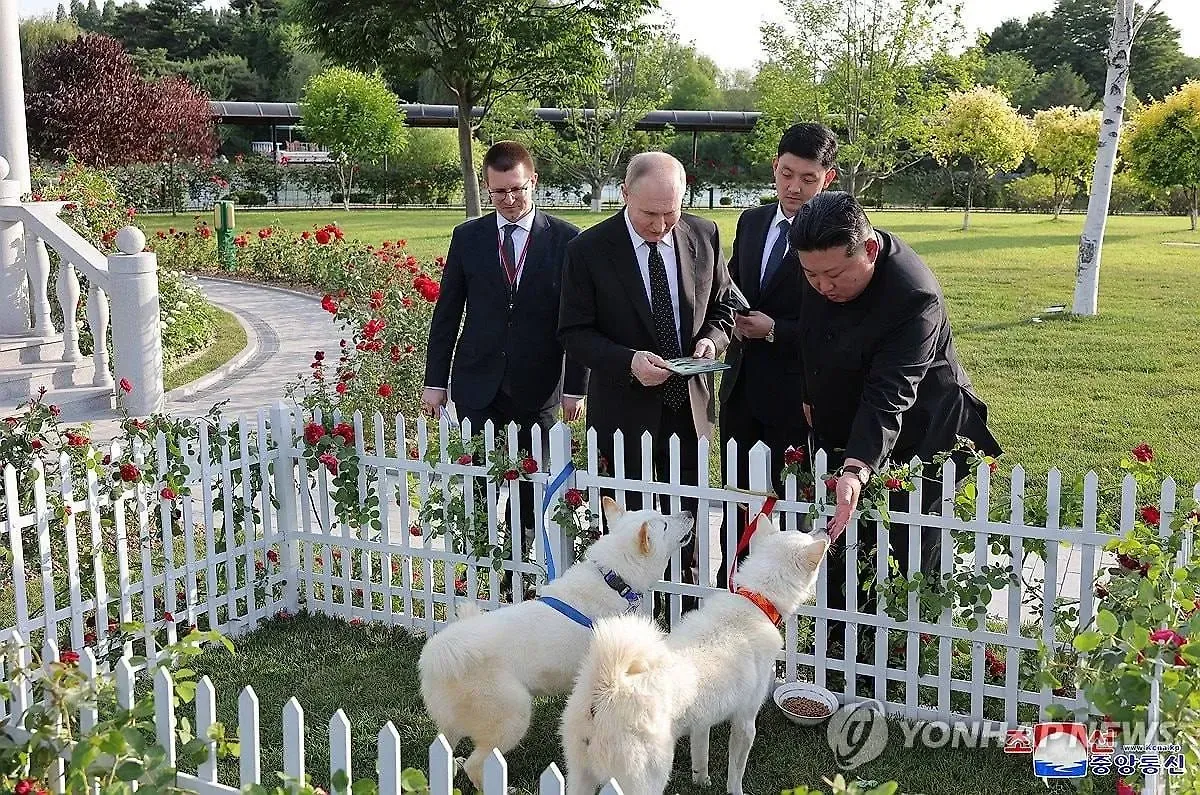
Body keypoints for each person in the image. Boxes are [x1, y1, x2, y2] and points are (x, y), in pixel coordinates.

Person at [790, 191, 1002, 642]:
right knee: (847, 539)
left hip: (923, 432)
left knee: (908, 546)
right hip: (852, 419)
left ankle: (905, 644)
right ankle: (842, 640)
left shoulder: (913, 296)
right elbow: (811, 332)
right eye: (811, 275)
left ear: (868, 250)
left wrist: (857, 467)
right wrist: (811, 393)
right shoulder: (819, 262)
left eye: (833, 275)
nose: (822, 286)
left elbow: (891, 393)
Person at [558, 151, 735, 594]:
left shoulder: (704, 234)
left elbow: (726, 304)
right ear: (625, 194)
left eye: (670, 213)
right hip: (624, 412)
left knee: (686, 524)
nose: (660, 225)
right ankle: (632, 614)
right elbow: (574, 333)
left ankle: (685, 613)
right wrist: (628, 362)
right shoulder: (589, 250)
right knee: (629, 529)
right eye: (649, 214)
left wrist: (712, 339)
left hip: (688, 411)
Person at [422, 141, 587, 549]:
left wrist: (575, 387)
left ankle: (520, 563)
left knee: (530, 486)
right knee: (478, 482)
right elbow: (447, 315)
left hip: (539, 387)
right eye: (499, 192)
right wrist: (435, 380)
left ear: (533, 180)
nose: (510, 200)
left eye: (518, 189)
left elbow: (581, 320)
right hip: (478, 384)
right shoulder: (468, 237)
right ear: (486, 187)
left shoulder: (568, 240)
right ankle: (482, 562)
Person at [715, 122, 838, 589]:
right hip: (741, 387)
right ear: (775, 167)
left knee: (788, 507)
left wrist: (775, 332)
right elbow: (729, 286)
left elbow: (837, 319)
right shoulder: (752, 221)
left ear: (827, 178)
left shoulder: (835, 233)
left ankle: (784, 600)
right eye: (787, 174)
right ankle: (733, 589)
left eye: (808, 179)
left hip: (798, 392)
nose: (794, 187)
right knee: (739, 500)